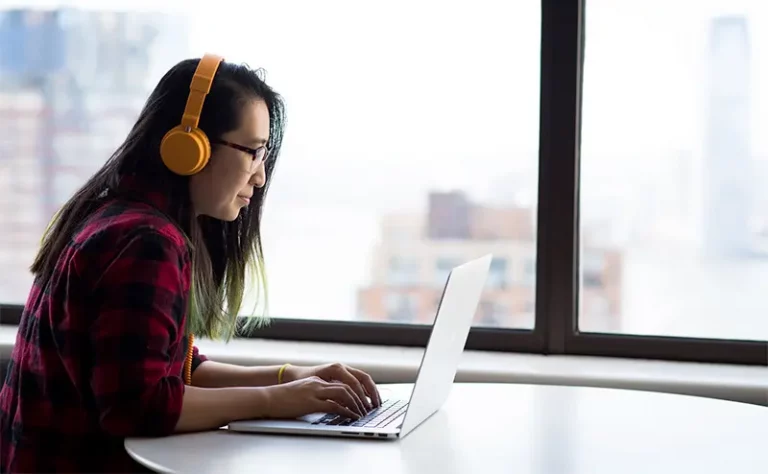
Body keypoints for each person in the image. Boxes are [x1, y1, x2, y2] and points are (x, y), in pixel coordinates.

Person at [0, 54, 381, 473]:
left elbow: (178, 367)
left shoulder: (118, 216)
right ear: (189, 146)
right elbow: (137, 405)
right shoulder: (145, 243)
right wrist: (277, 402)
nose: (259, 176)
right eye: (252, 152)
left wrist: (289, 377)